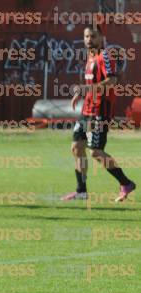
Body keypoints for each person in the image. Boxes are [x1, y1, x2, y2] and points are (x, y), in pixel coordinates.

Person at [61, 25, 136, 202]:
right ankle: (81, 191)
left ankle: (126, 183)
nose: (89, 40)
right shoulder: (90, 57)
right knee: (77, 148)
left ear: (101, 37)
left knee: (95, 152)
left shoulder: (105, 56)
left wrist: (87, 88)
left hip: (100, 110)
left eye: (93, 36)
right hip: (87, 110)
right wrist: (81, 94)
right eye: (86, 36)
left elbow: (112, 80)